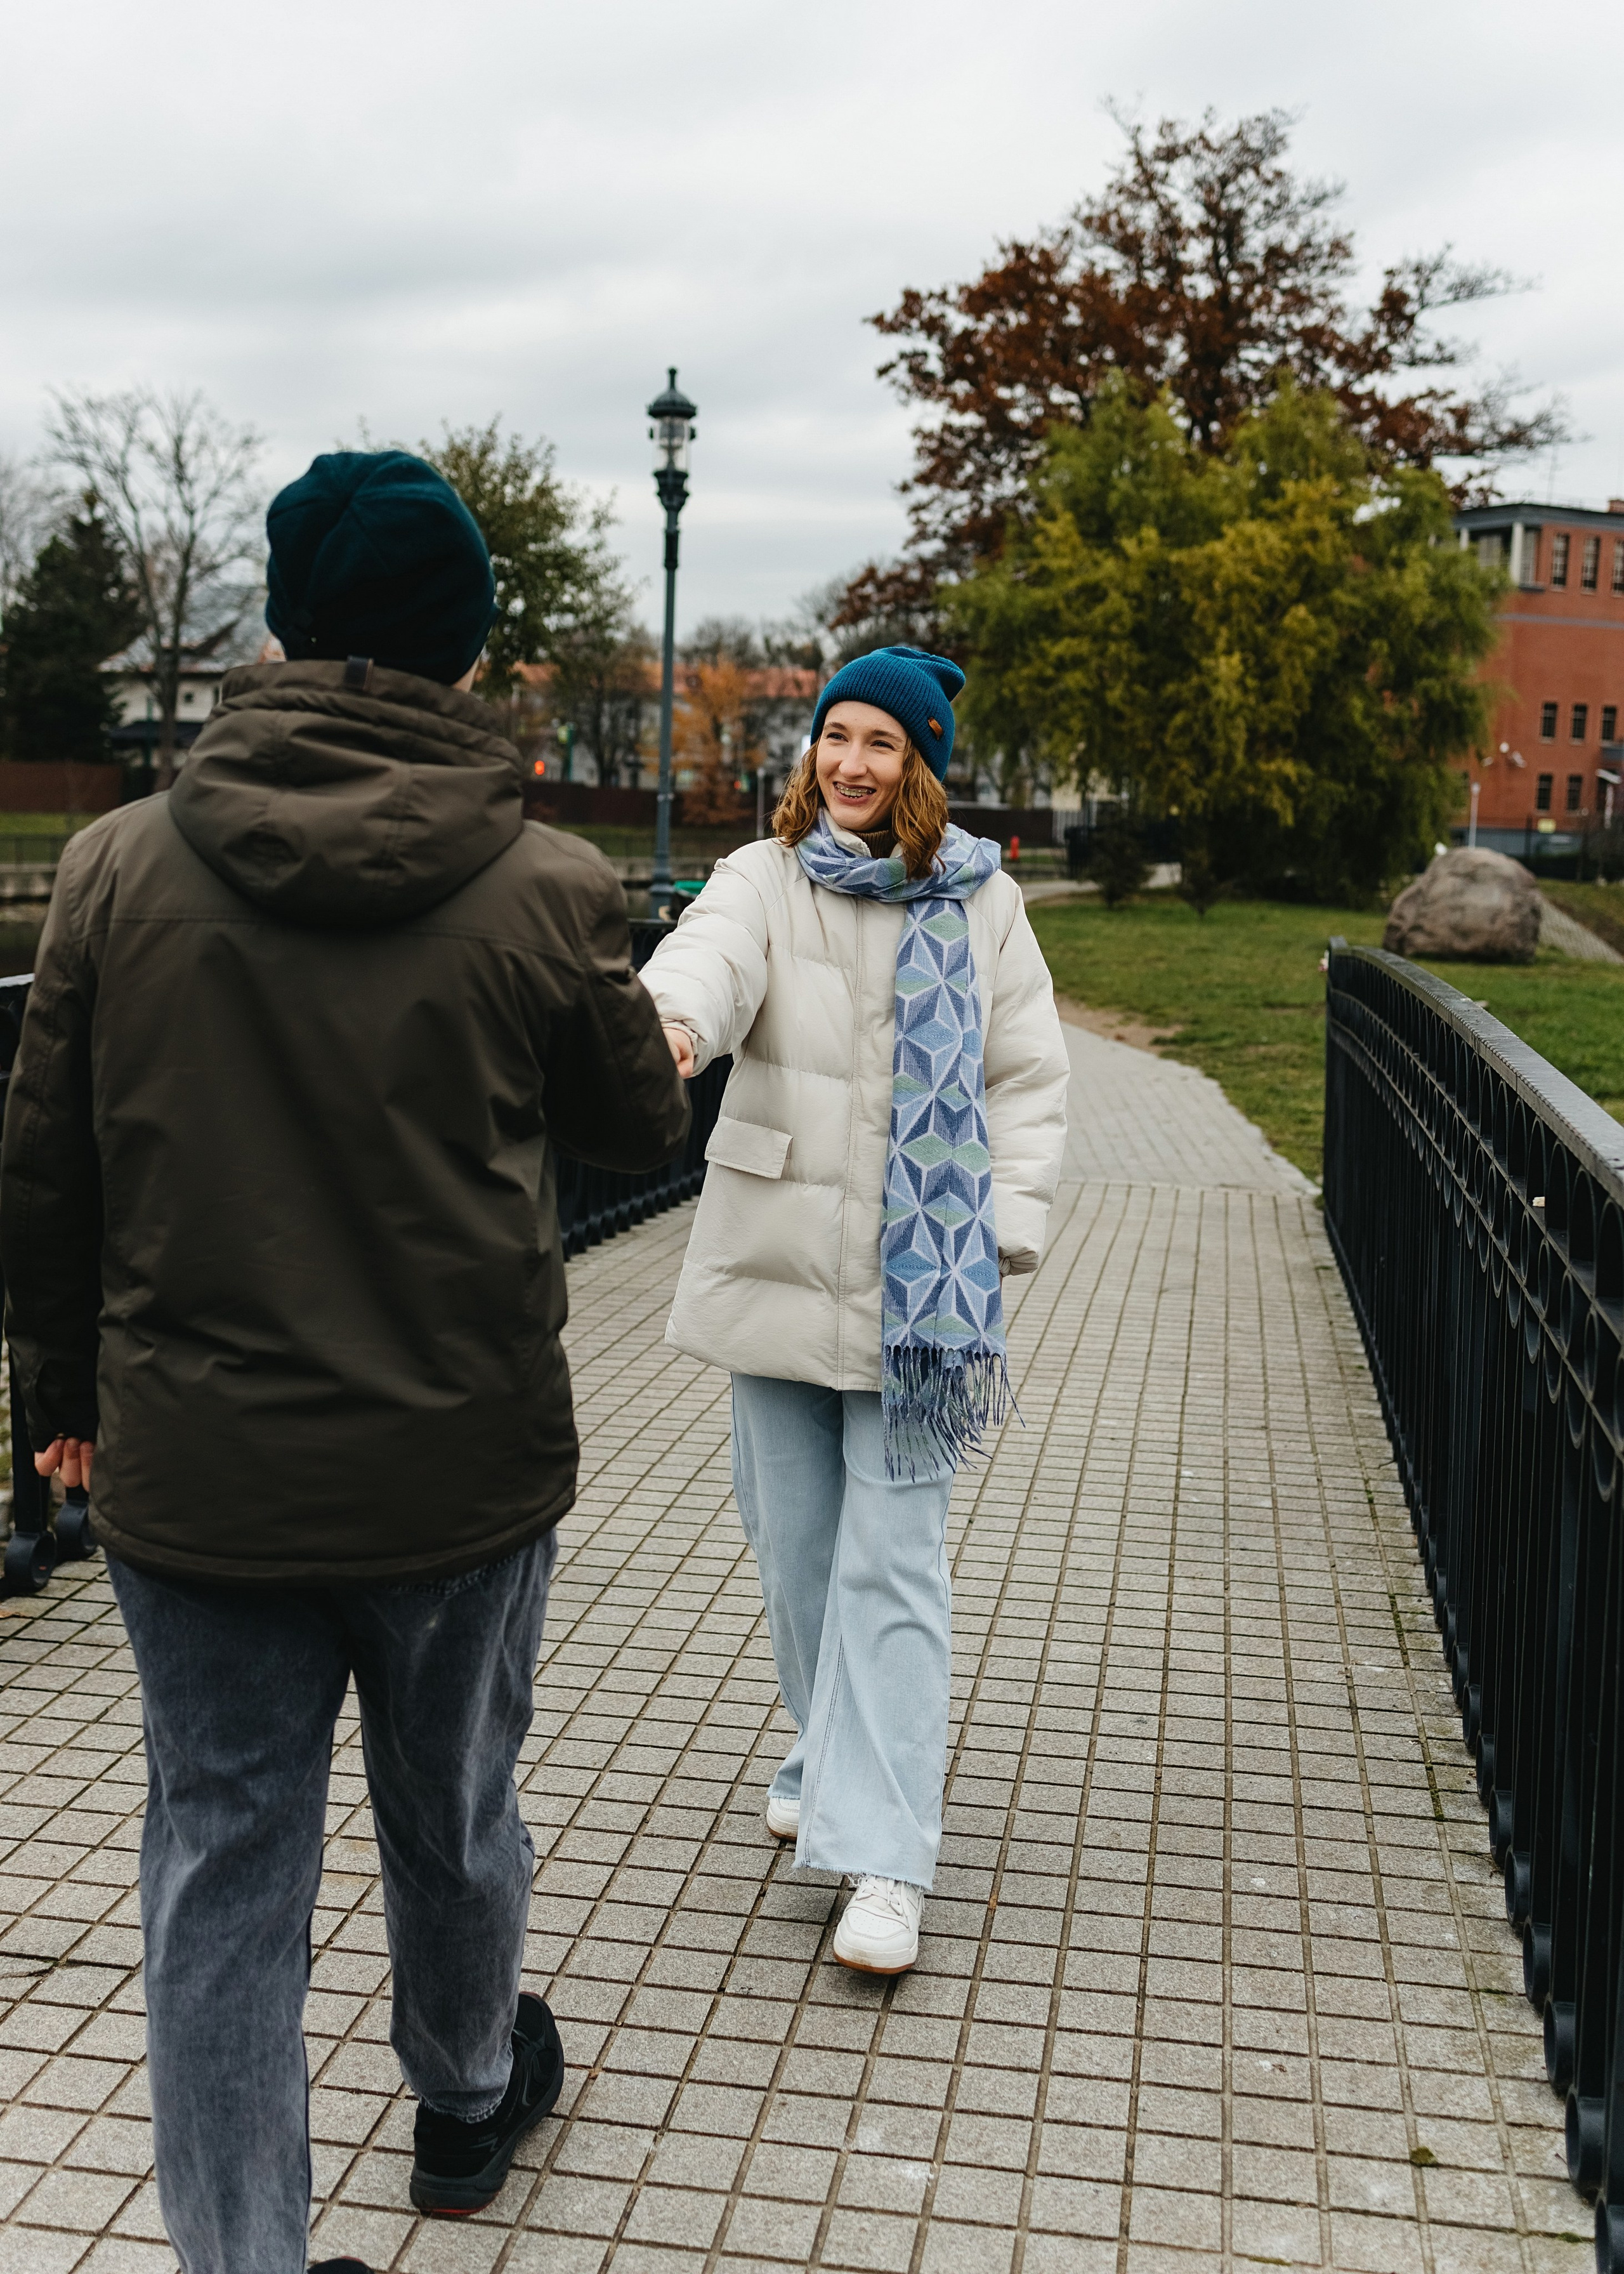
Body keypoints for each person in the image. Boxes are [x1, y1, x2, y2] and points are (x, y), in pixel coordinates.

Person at [0, 450, 690, 2274]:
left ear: (285, 627)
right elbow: (632, 1130)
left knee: (223, 1866)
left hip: (197, 1475)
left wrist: (60, 1408)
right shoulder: (546, 881)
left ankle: (244, 2255)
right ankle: (464, 2104)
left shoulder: (116, 867)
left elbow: (47, 1167)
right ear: (468, 644)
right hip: (455, 1470)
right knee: (454, 1805)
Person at [641, 645, 1068, 1973]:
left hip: (921, 1300)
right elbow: (706, 960)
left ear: (921, 763)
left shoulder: (983, 903)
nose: (851, 764)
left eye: (882, 743)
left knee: (893, 1566)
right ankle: (823, 1740)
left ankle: (885, 1856)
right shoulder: (760, 878)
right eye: (838, 737)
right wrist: (668, 1025)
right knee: (795, 1552)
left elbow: (1028, 1072)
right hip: (776, 1261)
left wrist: (999, 1228)